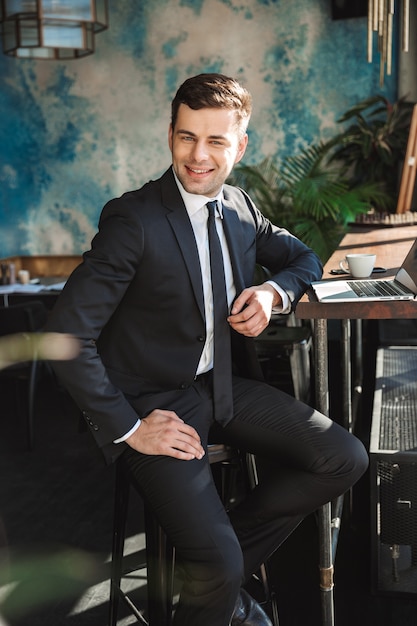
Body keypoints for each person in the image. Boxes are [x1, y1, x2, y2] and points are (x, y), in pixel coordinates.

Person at [46, 73, 368, 626]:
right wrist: (129, 426)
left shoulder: (240, 207)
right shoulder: (134, 220)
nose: (198, 156)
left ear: (240, 146)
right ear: (170, 134)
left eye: (216, 141)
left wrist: (273, 292)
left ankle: (217, 572)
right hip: (150, 404)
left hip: (216, 387)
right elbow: (66, 336)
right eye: (187, 137)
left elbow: (303, 261)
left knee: (344, 458)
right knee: (217, 561)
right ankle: (218, 574)